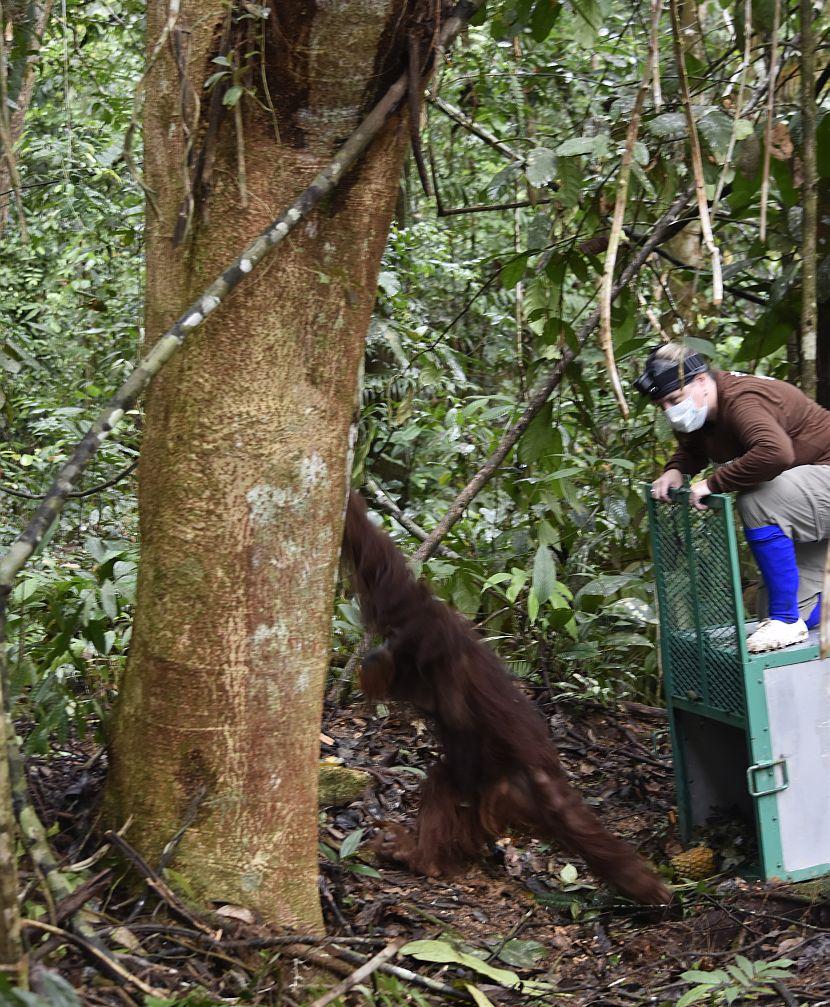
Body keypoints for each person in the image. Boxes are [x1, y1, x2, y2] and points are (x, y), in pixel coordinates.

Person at [636, 343, 830, 654]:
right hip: (813, 496)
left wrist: (713, 484)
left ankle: (785, 618)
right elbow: (694, 447)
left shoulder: (742, 400)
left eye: (674, 399)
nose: (670, 410)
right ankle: (785, 618)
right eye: (663, 405)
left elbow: (775, 452)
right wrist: (676, 469)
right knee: (784, 620)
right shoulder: (703, 412)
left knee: (759, 500)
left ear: (701, 381)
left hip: (823, 474)